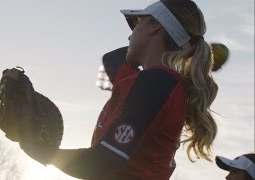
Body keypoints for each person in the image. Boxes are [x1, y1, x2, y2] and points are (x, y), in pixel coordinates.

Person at [19, 0, 219, 179]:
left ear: (156, 26)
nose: (130, 34)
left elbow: (102, 163)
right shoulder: (154, 81)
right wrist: (154, 44)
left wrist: (43, 151)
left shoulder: (157, 82)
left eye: (137, 22)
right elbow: (112, 59)